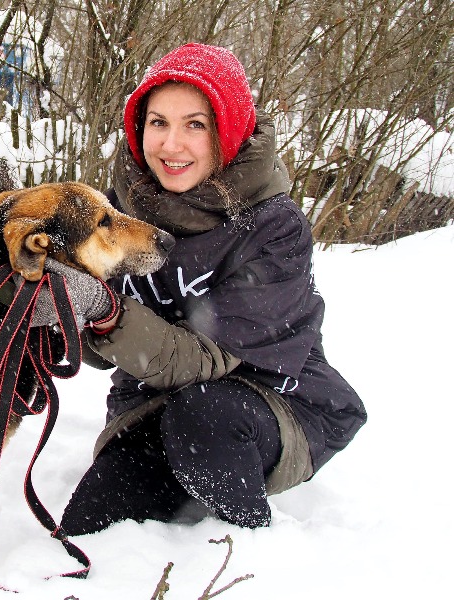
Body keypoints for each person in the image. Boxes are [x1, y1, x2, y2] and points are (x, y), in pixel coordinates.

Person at [40, 43, 367, 533]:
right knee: (87, 528)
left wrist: (103, 311)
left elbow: (209, 358)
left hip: (272, 403)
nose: (171, 145)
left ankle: (248, 555)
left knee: (205, 414)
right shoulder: (116, 214)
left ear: (227, 132)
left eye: (196, 124)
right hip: (153, 407)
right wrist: (41, 299)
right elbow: (99, 351)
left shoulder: (274, 228)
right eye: (158, 123)